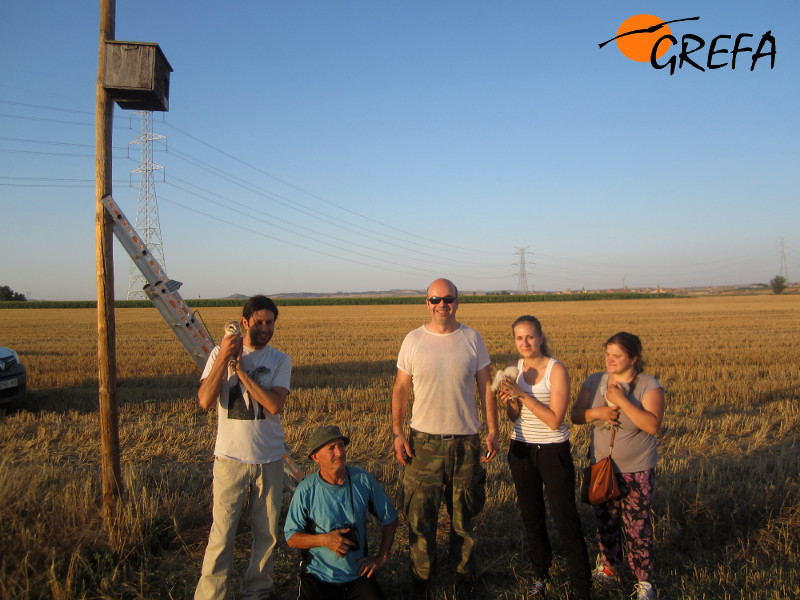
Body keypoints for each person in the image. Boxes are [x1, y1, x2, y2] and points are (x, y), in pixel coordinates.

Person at [391, 278, 499, 599]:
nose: (442, 304)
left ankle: (463, 575)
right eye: (435, 299)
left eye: (447, 298)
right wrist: (398, 432)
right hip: (423, 443)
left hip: (466, 442)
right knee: (420, 516)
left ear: (457, 301)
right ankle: (421, 576)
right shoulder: (413, 340)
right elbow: (400, 388)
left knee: (464, 517)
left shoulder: (472, 339)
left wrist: (492, 431)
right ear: (427, 303)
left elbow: (486, 387)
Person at [194, 295, 292, 600]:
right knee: (221, 535)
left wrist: (242, 374)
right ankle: (211, 595)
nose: (265, 328)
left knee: (267, 535)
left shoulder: (280, 360)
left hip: (269, 459)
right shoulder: (218, 355)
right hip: (229, 459)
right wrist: (225, 357)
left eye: (270, 322)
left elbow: (274, 405)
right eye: (259, 322)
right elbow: (204, 401)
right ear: (245, 322)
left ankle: (258, 592)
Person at [496, 315, 592, 600]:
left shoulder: (556, 370)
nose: (524, 343)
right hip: (521, 450)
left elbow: (555, 421)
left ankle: (581, 585)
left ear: (540, 337)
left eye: (530, 336)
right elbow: (514, 416)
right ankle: (540, 575)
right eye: (518, 337)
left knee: (565, 518)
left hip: (552, 451)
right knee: (531, 517)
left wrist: (522, 396)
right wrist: (510, 402)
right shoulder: (514, 370)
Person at [570, 332, 665, 600]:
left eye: (617, 355)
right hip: (602, 467)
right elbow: (575, 415)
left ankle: (643, 581)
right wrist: (597, 413)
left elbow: (652, 425)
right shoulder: (594, 380)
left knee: (637, 526)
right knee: (606, 521)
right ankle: (609, 567)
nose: (609, 360)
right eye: (607, 354)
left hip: (637, 469)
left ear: (634, 358)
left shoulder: (649, 386)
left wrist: (622, 401)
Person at [284, 425, 399, 600]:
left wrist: (381, 558)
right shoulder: (306, 490)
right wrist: (324, 540)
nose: (339, 452)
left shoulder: (362, 480)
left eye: (341, 446)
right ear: (316, 457)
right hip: (319, 577)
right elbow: (291, 537)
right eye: (331, 448)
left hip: (357, 574)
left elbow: (390, 518)